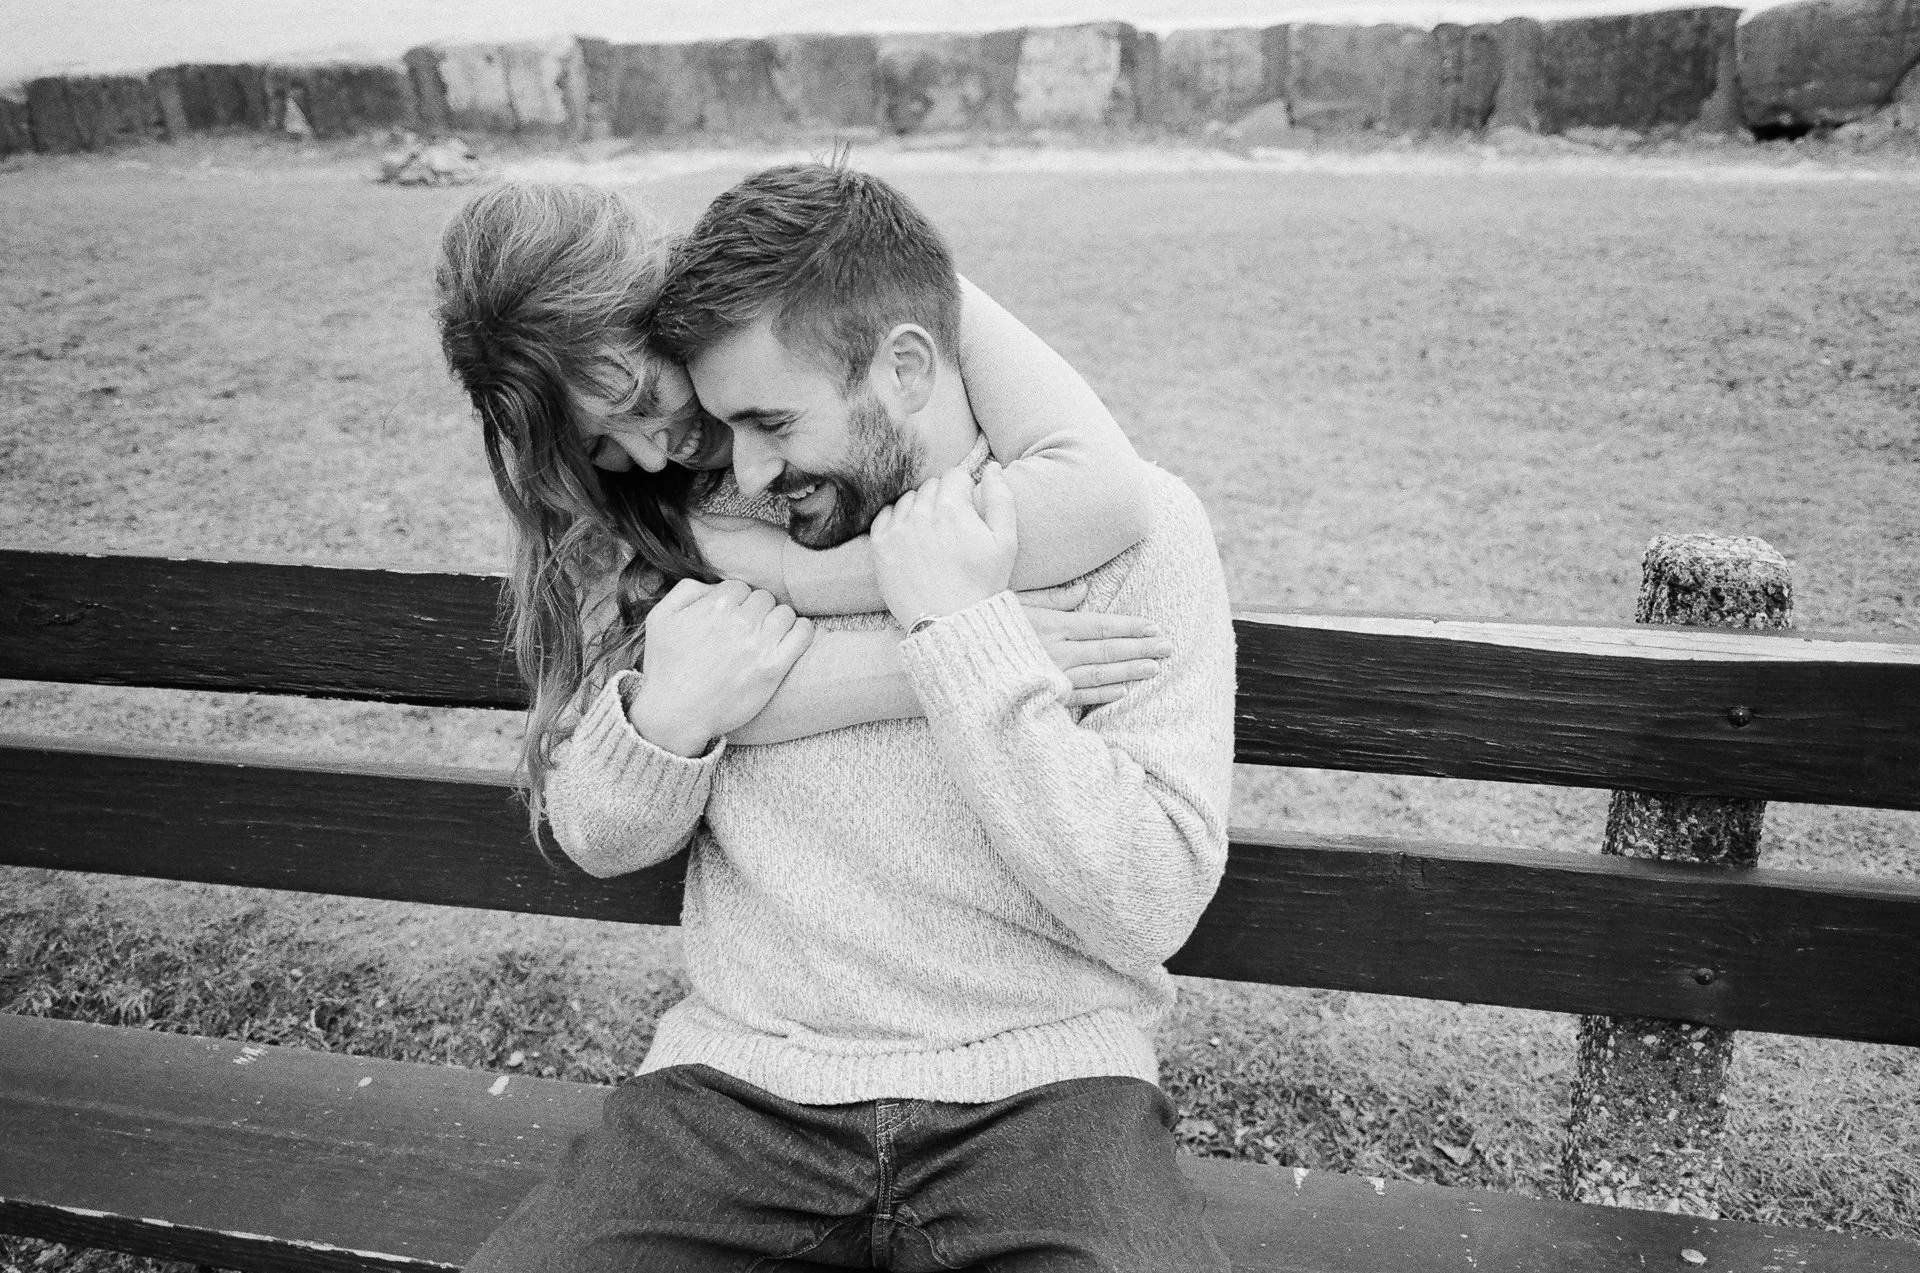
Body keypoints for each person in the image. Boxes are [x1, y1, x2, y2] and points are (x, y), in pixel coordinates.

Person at [464, 162, 1237, 1271]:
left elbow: (1149, 898)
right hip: (738, 1090)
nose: (738, 462)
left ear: (908, 364)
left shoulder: (1135, 531)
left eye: (772, 420)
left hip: (1047, 1092)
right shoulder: (691, 527)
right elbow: (594, 829)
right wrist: (666, 719)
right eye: (729, 424)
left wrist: (968, 642)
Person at [433, 182, 1174, 836]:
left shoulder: (854, 291)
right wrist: (965, 649)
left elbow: (1101, 496)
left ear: (665, 300)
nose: (654, 457)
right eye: (600, 445)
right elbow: (668, 715)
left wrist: (798, 574)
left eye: (644, 398)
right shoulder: (619, 515)